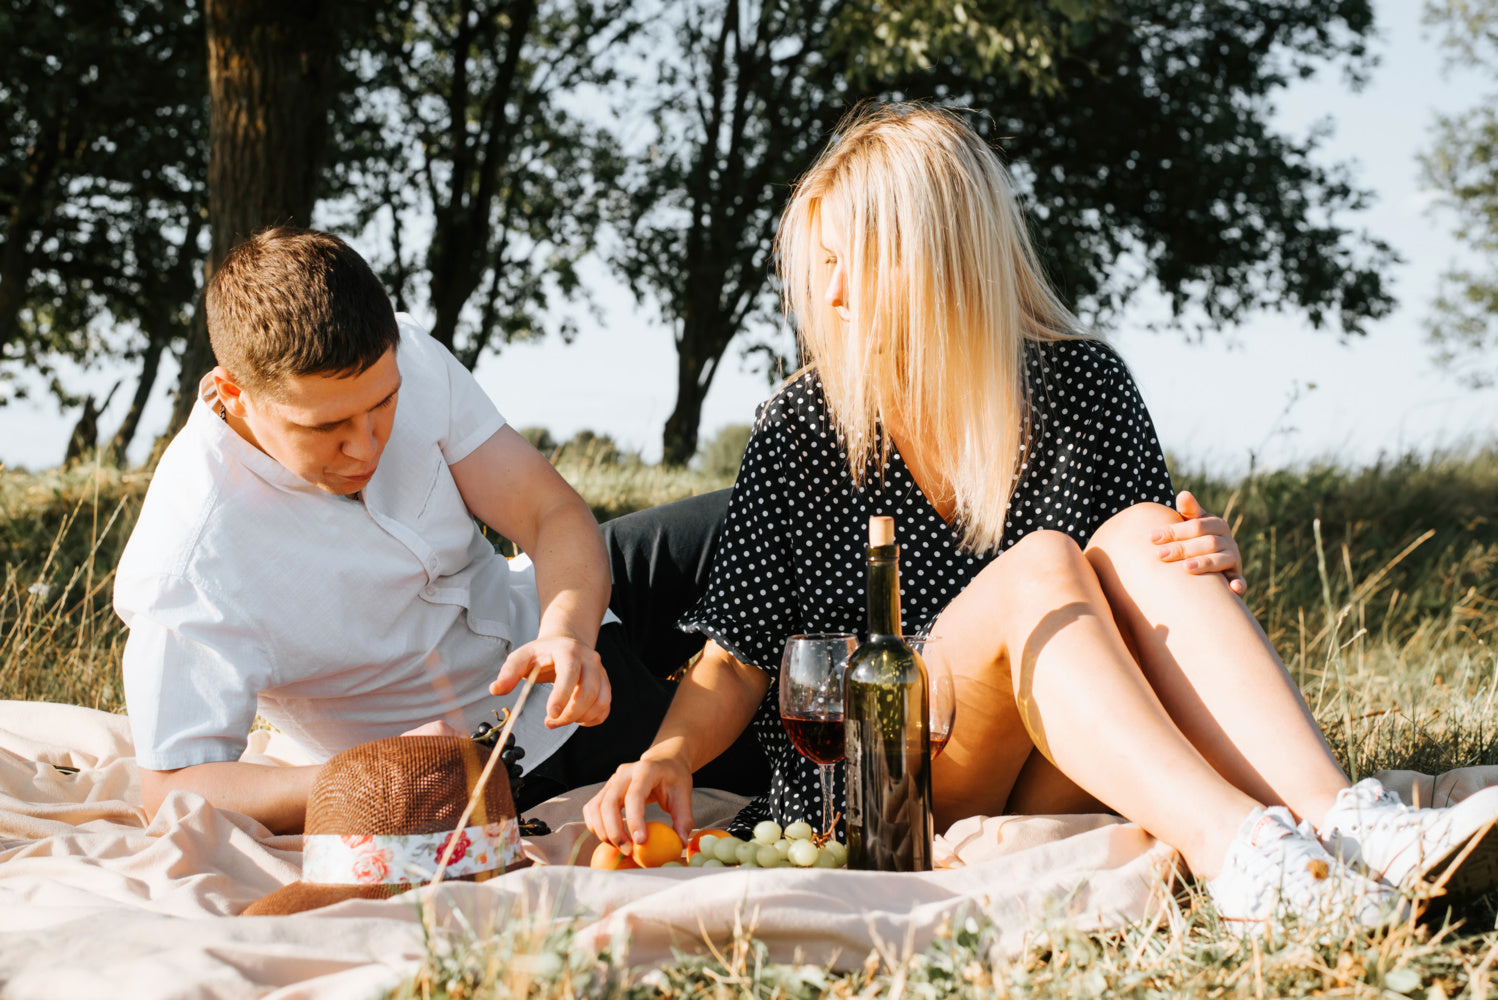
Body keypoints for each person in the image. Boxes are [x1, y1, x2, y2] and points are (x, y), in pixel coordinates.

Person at [584, 103, 1498, 931]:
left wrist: (1196, 559)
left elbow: (1150, 607)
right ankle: (1242, 856)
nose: (824, 296)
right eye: (817, 266)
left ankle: (1347, 824)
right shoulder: (803, 425)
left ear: (928, 255)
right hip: (883, 790)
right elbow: (736, 658)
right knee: (1044, 565)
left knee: (1144, 535)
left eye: (841, 263)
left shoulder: (1083, 386)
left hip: (1067, 758)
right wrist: (668, 757)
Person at [115, 227, 763, 835]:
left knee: (771, 512)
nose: (365, 447)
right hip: (513, 745)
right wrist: (370, 777)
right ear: (233, 392)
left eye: (384, 404)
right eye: (326, 429)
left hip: (553, 605)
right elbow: (171, 788)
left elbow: (550, 514)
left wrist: (567, 634)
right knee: (804, 762)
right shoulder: (191, 557)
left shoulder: (402, 348)